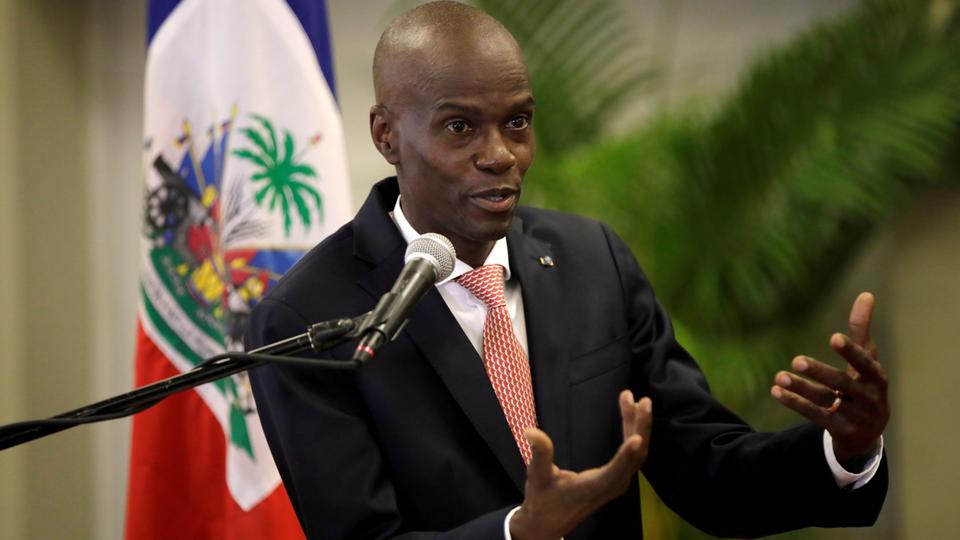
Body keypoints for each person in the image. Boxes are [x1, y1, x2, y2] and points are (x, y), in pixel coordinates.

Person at [246, 2, 889, 539]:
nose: (499, 156)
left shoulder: (592, 262)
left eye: (517, 122)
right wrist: (518, 530)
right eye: (460, 126)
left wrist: (845, 451)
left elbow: (705, 468)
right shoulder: (308, 319)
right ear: (387, 135)